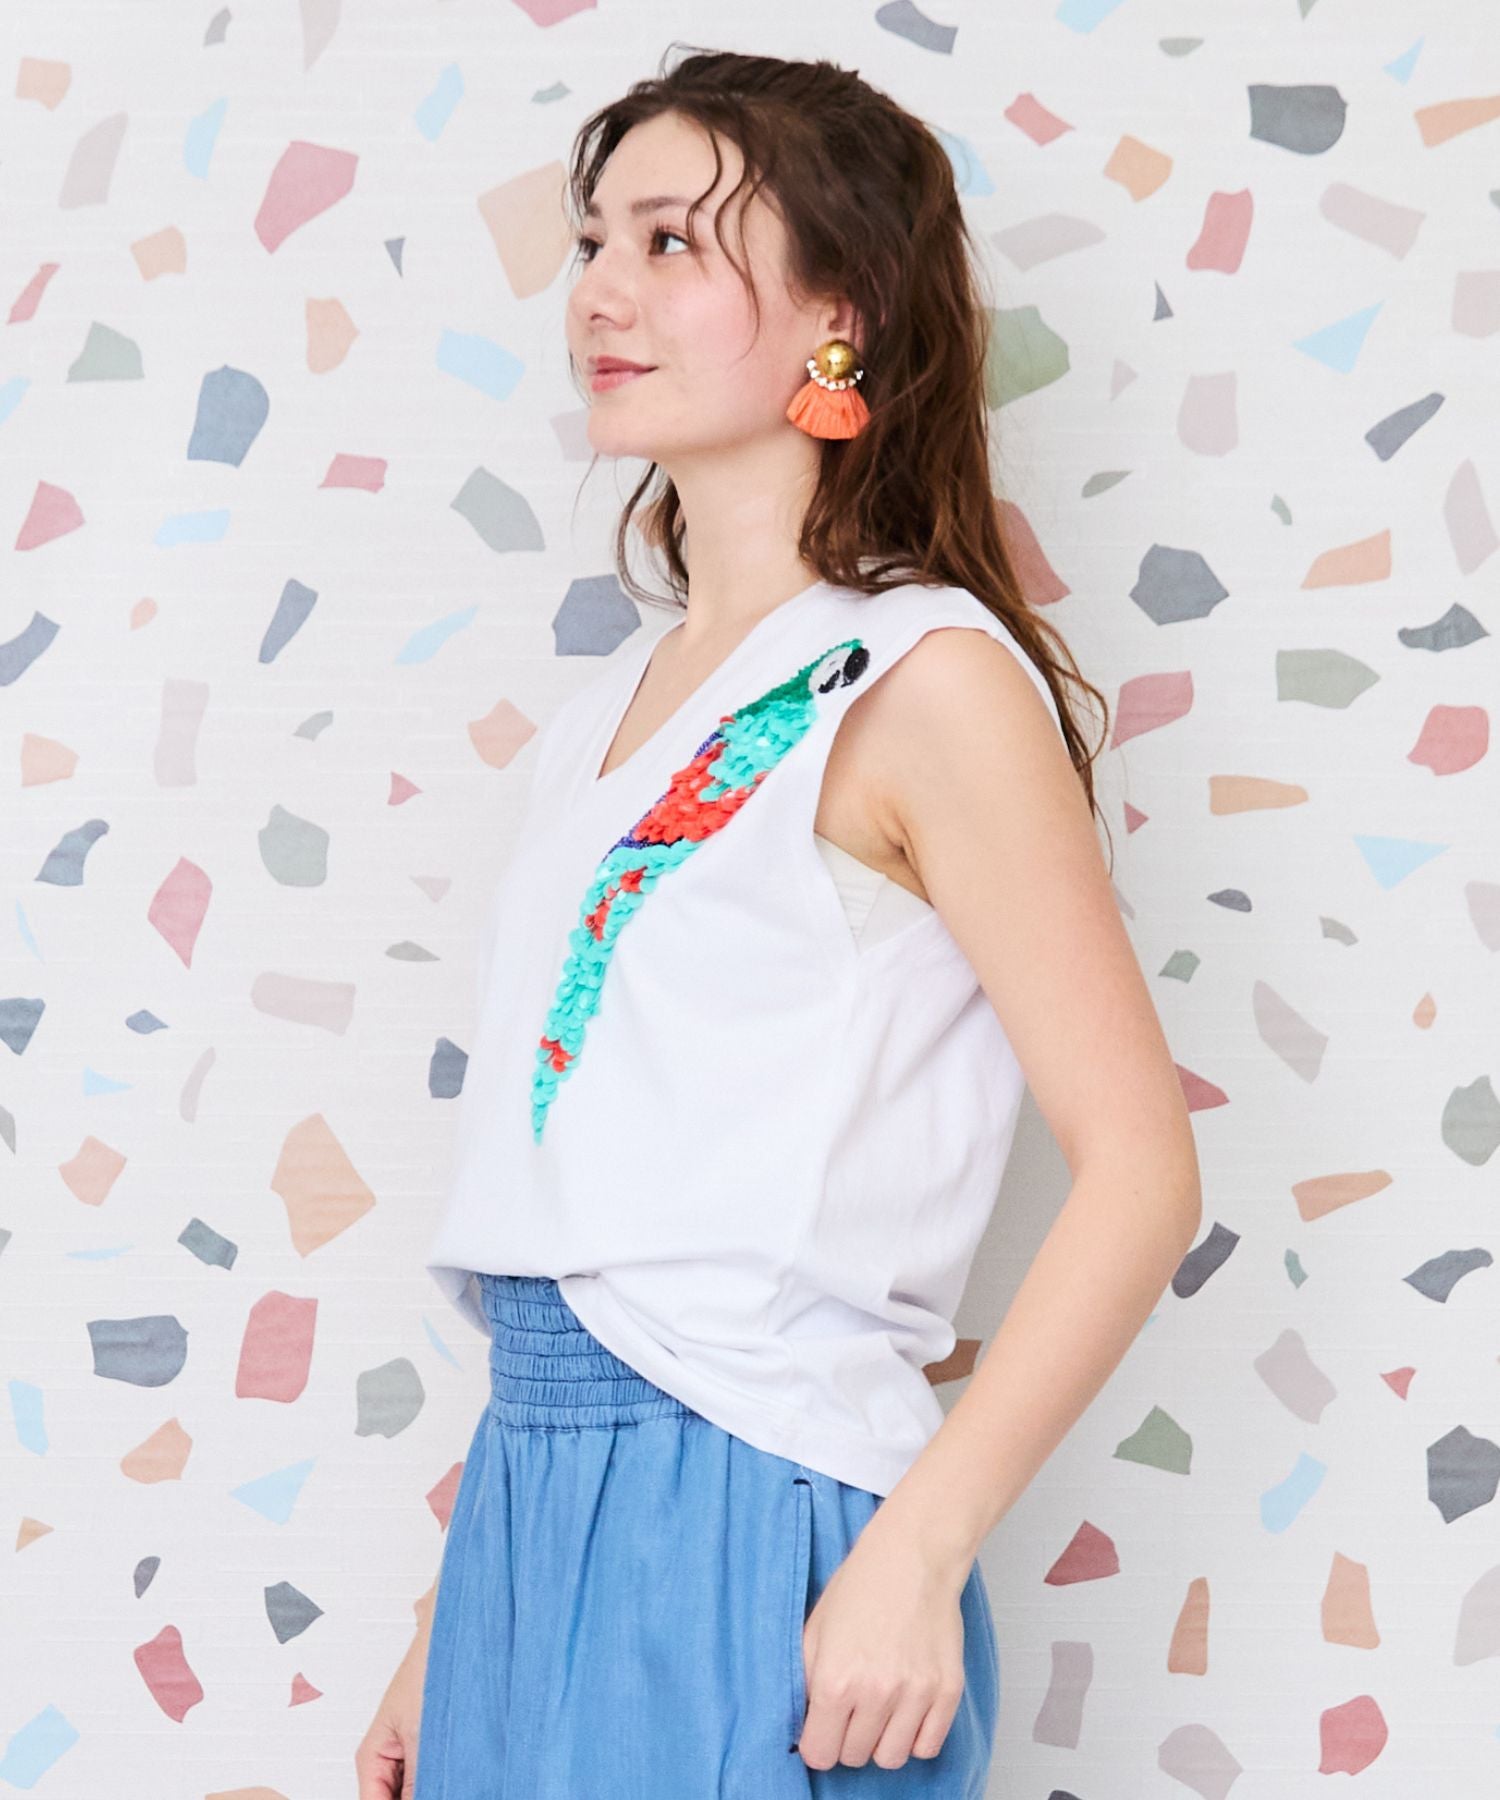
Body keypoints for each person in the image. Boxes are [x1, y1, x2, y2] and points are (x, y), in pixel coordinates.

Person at [356, 45, 1201, 1800]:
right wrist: (450, 1621)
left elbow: (1141, 1170)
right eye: (596, 240)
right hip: (532, 1505)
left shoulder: (923, 682)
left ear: (841, 314)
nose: (601, 290)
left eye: (672, 241)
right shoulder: (600, 718)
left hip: (750, 1500)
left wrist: (918, 1549)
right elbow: (586, 1200)